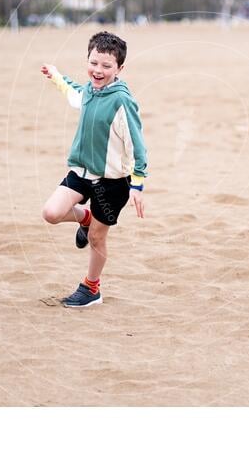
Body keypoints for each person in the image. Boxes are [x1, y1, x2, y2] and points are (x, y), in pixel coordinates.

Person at [40, 31, 148, 307]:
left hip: (112, 182)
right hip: (81, 172)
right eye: (93, 63)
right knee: (51, 213)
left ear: (119, 68)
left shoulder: (122, 101)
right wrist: (55, 76)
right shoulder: (89, 90)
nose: (98, 70)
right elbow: (74, 93)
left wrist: (137, 184)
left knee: (98, 239)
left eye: (106, 66)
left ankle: (91, 288)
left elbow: (137, 145)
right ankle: (85, 219)